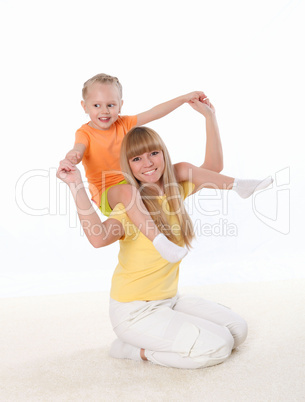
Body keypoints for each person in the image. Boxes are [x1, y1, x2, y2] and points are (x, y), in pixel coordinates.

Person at [57, 101, 272, 369]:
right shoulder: (132, 207)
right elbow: (98, 237)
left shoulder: (175, 190)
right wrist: (75, 185)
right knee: (217, 347)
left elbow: (213, 168)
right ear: (128, 166)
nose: (147, 163)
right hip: (133, 312)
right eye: (136, 158)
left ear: (163, 154)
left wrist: (210, 116)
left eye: (153, 153)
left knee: (237, 331)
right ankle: (133, 350)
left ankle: (167, 332)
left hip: (169, 300)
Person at [60, 73, 270, 263]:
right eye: (96, 105)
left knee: (183, 168)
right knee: (128, 191)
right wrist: (72, 157)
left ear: (120, 105)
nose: (104, 111)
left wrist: (185, 100)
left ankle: (238, 185)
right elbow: (79, 148)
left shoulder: (123, 124)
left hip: (136, 183)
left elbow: (155, 112)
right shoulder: (85, 133)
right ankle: (159, 241)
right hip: (109, 193)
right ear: (84, 106)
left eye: (110, 105)